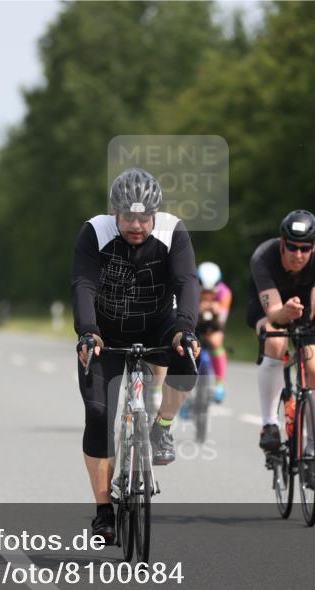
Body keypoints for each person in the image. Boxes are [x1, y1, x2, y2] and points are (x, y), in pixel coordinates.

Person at [73, 166, 200, 543]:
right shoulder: (95, 232)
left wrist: (185, 328)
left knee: (188, 361)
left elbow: (186, 282)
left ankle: (161, 427)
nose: (137, 225)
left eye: (145, 217)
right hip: (105, 333)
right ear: (116, 213)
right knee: (99, 413)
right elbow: (83, 284)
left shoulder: (172, 231)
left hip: (158, 325)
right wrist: (87, 331)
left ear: (155, 214)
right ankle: (103, 512)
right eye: (128, 216)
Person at [247, 210, 315, 489]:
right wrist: (284, 313)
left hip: (308, 313)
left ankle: (314, 449)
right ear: (282, 242)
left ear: (314, 247)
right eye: (293, 247)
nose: (299, 254)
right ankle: (269, 424)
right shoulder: (263, 256)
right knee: (275, 341)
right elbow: (274, 314)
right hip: (271, 310)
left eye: (306, 248)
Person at [195, 261, 233, 402]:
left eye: (211, 293)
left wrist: (216, 309)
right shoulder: (191, 288)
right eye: (204, 292)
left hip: (213, 324)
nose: (207, 295)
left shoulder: (225, 293)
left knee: (216, 341)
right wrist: (198, 309)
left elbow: (222, 320)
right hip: (195, 324)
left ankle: (219, 384)